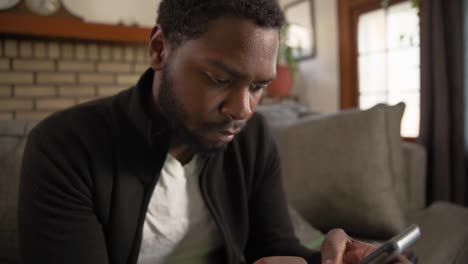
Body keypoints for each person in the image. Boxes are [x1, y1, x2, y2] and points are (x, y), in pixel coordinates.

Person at [18, 0, 411, 263]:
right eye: (219, 78)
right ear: (159, 49)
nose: (243, 109)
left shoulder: (253, 139)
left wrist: (328, 257)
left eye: (258, 86)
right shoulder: (65, 147)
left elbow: (271, 248)